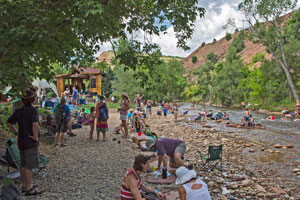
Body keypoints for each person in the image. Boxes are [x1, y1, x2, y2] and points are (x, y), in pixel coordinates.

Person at [7, 90, 44, 195]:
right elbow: (35, 124)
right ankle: (29, 188)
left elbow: (9, 122)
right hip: (30, 141)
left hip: (21, 140)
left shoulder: (19, 110)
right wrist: (36, 137)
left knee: (23, 164)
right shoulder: (33, 110)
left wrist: (15, 132)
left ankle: (25, 186)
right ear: (33, 99)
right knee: (29, 166)